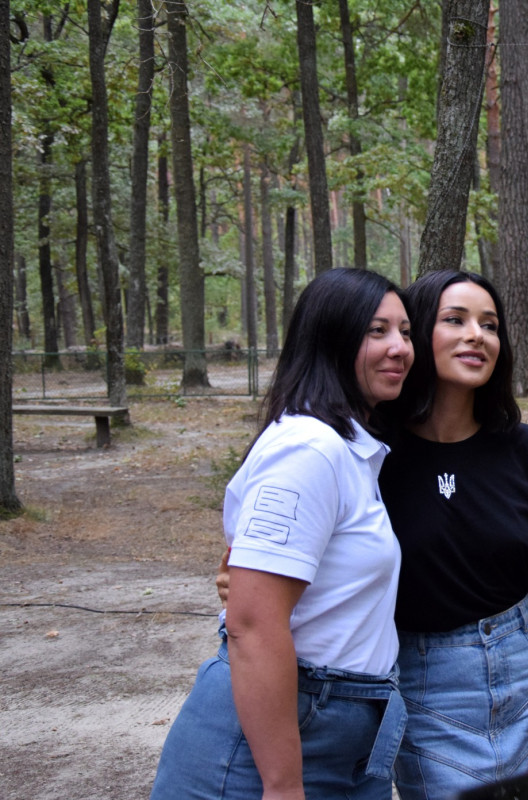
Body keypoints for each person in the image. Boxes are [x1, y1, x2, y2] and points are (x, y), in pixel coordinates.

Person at [152, 268, 415, 800]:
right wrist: (283, 784)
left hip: (340, 733)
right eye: (376, 330)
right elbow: (252, 622)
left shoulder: (348, 450)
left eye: (406, 332)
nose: (400, 348)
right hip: (273, 751)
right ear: (331, 340)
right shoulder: (309, 449)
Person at [377, 270, 528, 800]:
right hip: (423, 682)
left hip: (526, 671)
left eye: (490, 325)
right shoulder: (373, 453)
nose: (477, 335)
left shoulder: (526, 450)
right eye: (455, 320)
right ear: (416, 334)